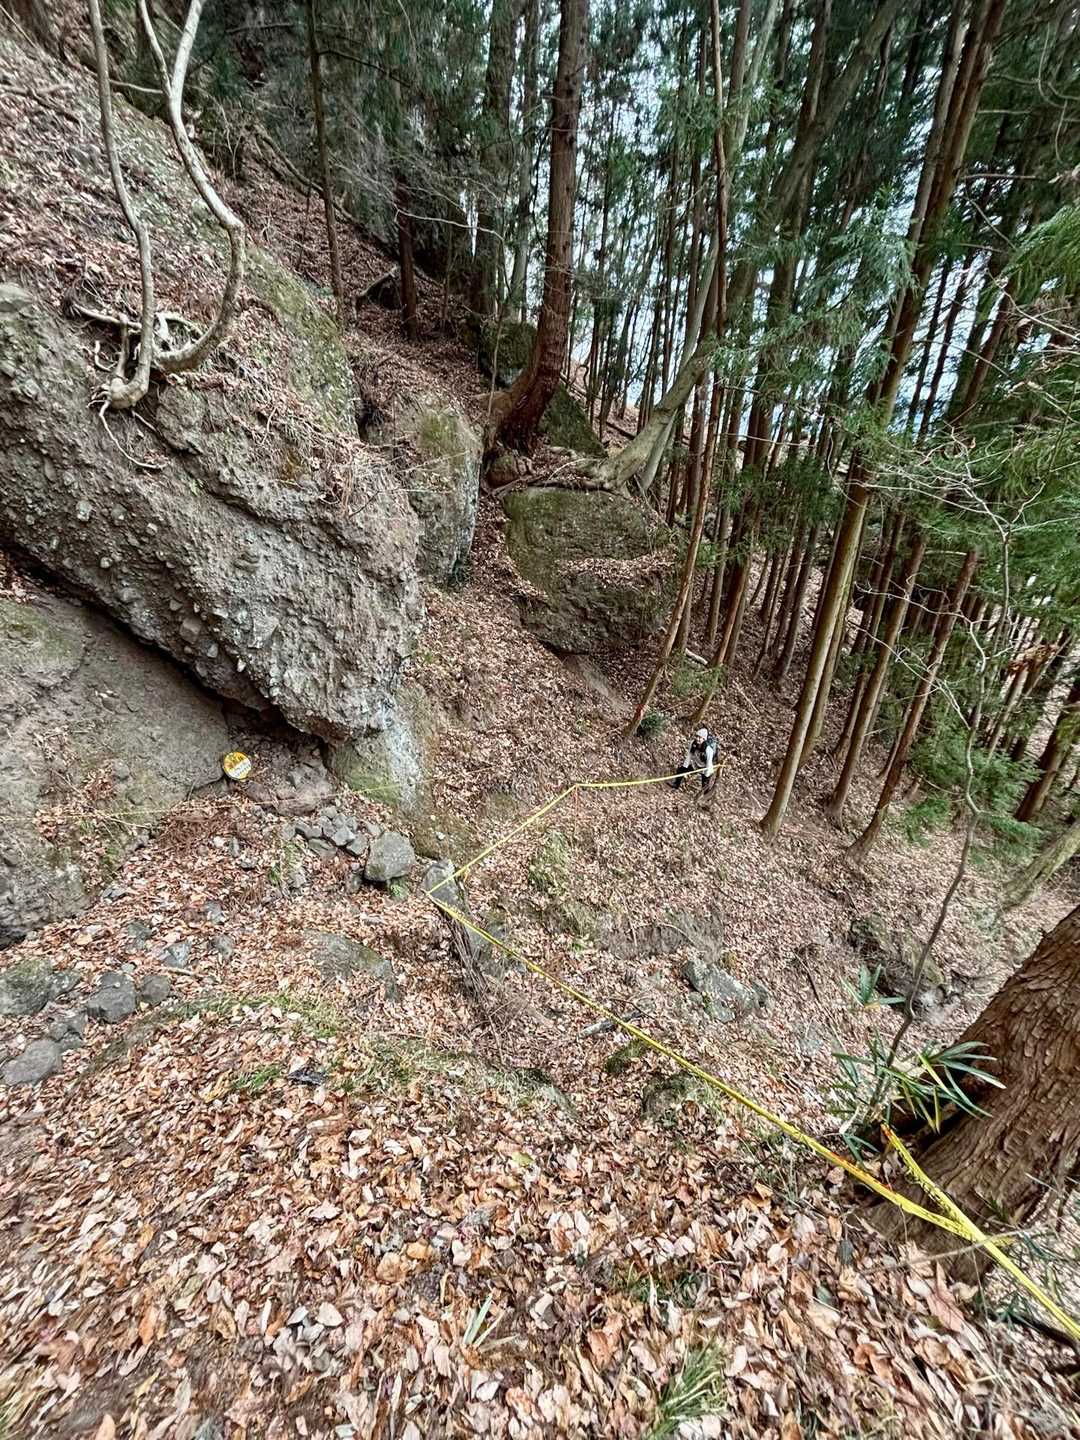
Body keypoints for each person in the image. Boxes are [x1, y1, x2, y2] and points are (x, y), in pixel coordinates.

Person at [670, 726, 720, 796]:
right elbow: (689, 756)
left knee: (705, 784)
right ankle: (676, 785)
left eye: (700, 738)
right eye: (697, 737)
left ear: (704, 739)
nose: (697, 739)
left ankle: (705, 797)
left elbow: (709, 763)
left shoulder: (708, 750)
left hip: (705, 768)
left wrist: (706, 774)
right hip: (696, 764)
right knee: (681, 770)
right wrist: (685, 767)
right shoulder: (693, 744)